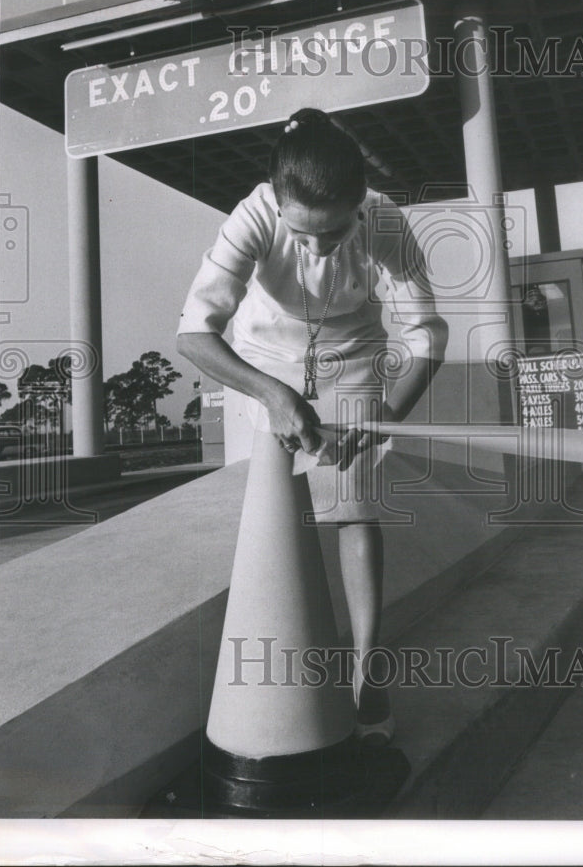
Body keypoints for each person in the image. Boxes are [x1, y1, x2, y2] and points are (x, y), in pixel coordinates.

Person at [177, 108, 447, 744]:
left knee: (355, 509)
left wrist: (388, 414)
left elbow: (429, 333)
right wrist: (273, 394)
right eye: (303, 232)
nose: (319, 247)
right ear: (277, 200)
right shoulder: (251, 215)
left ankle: (366, 666)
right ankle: (274, 669)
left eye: (334, 233)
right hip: (265, 359)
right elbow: (193, 334)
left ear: (361, 205)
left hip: (352, 357)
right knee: (272, 511)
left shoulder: (385, 221)